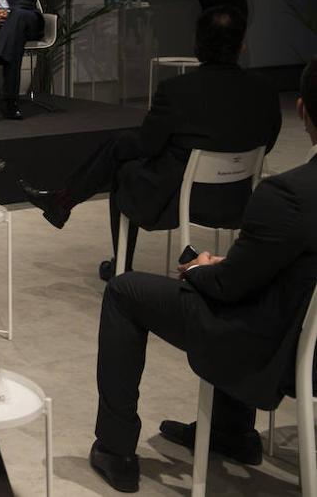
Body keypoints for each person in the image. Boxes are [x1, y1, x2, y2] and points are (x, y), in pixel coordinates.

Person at [86, 56, 317, 494]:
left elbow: (231, 287)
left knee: (123, 290)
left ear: (302, 110)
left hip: (273, 342)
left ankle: (115, 449)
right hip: (307, 335)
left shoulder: (288, 195)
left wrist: (200, 269)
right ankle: (232, 431)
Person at [20, 5, 281, 280]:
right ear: (242, 45)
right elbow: (270, 141)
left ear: (197, 43)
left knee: (122, 164)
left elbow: (148, 146)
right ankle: (62, 201)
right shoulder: (264, 89)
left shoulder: (178, 91)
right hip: (238, 198)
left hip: (176, 199)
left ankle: (114, 258)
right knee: (120, 145)